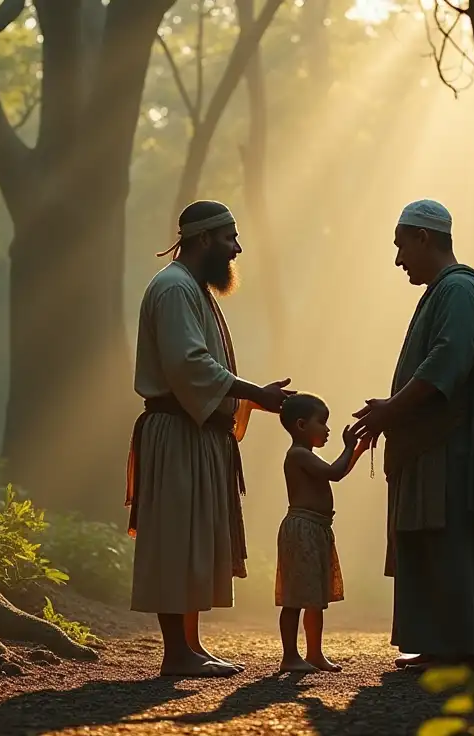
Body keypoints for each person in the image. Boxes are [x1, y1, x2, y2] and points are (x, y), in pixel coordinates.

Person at [126, 199, 294, 677]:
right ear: (203, 240)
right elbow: (191, 366)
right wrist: (251, 391)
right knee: (176, 540)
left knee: (194, 541)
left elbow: (205, 372)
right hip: (177, 431)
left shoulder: (195, 290)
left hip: (196, 431)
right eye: (229, 238)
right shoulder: (174, 289)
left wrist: (257, 399)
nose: (236, 248)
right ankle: (176, 655)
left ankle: (191, 647)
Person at [351, 199, 474, 673]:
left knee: (449, 541)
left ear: (424, 238)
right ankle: (443, 645)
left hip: (449, 449)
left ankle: (464, 649)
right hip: (432, 446)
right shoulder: (445, 292)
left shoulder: (459, 290)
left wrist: (390, 410)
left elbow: (448, 361)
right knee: (429, 541)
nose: (399, 259)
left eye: (402, 246)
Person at [274, 393, 372, 674]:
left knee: (315, 597)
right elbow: (335, 473)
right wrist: (349, 446)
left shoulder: (308, 457)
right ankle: (290, 655)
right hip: (302, 529)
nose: (327, 429)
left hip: (317, 528)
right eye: (323, 423)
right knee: (295, 597)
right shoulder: (298, 455)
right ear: (302, 425)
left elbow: (338, 470)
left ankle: (314, 653)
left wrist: (358, 450)